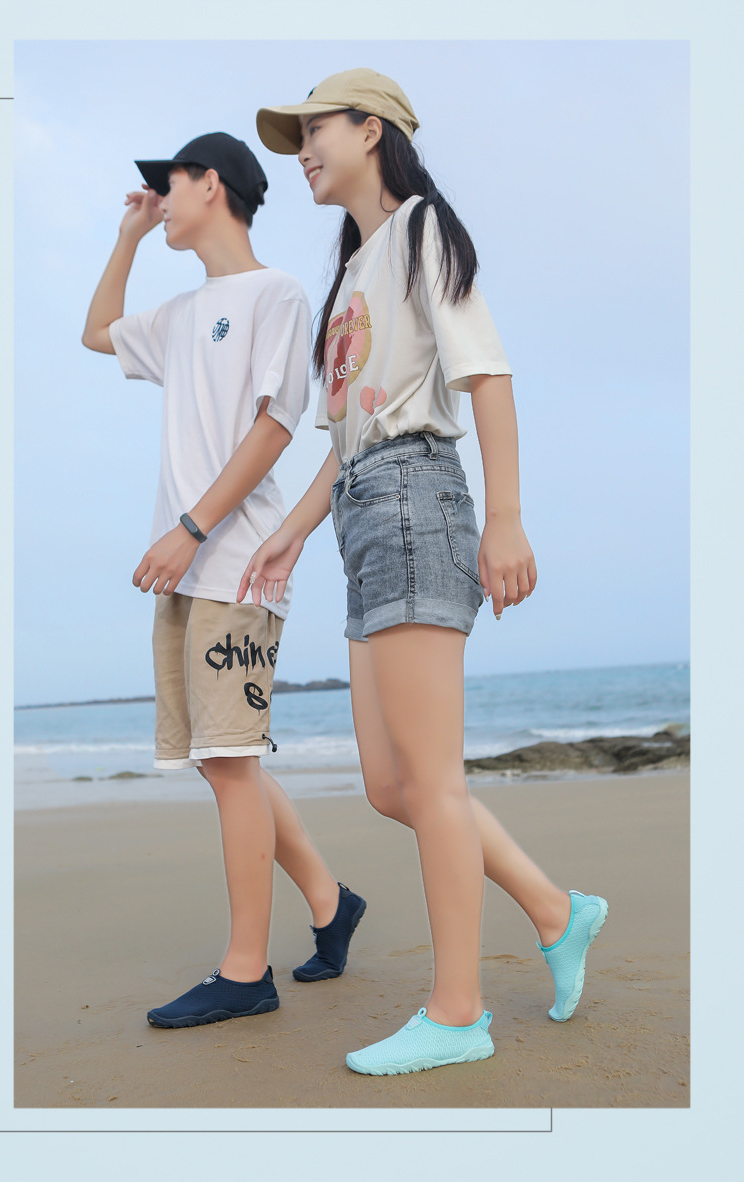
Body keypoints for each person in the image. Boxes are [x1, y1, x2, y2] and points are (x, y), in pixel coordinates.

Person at [240, 70, 608, 1075]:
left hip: (415, 497)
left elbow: (485, 375)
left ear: (373, 129)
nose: (302, 151)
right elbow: (345, 433)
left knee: (433, 781)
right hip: (362, 510)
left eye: (314, 130)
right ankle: (555, 909)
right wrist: (294, 533)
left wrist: (507, 519)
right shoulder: (353, 271)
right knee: (390, 785)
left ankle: (457, 1014)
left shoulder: (421, 230)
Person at [82, 131, 366, 1030]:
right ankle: (330, 901)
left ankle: (246, 972)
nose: (158, 198)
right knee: (222, 759)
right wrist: (129, 236)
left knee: (231, 763)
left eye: (165, 185)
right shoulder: (180, 313)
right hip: (186, 562)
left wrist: (193, 528)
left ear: (211, 183)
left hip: (234, 560)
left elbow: (277, 425)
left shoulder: (276, 294)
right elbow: (96, 333)